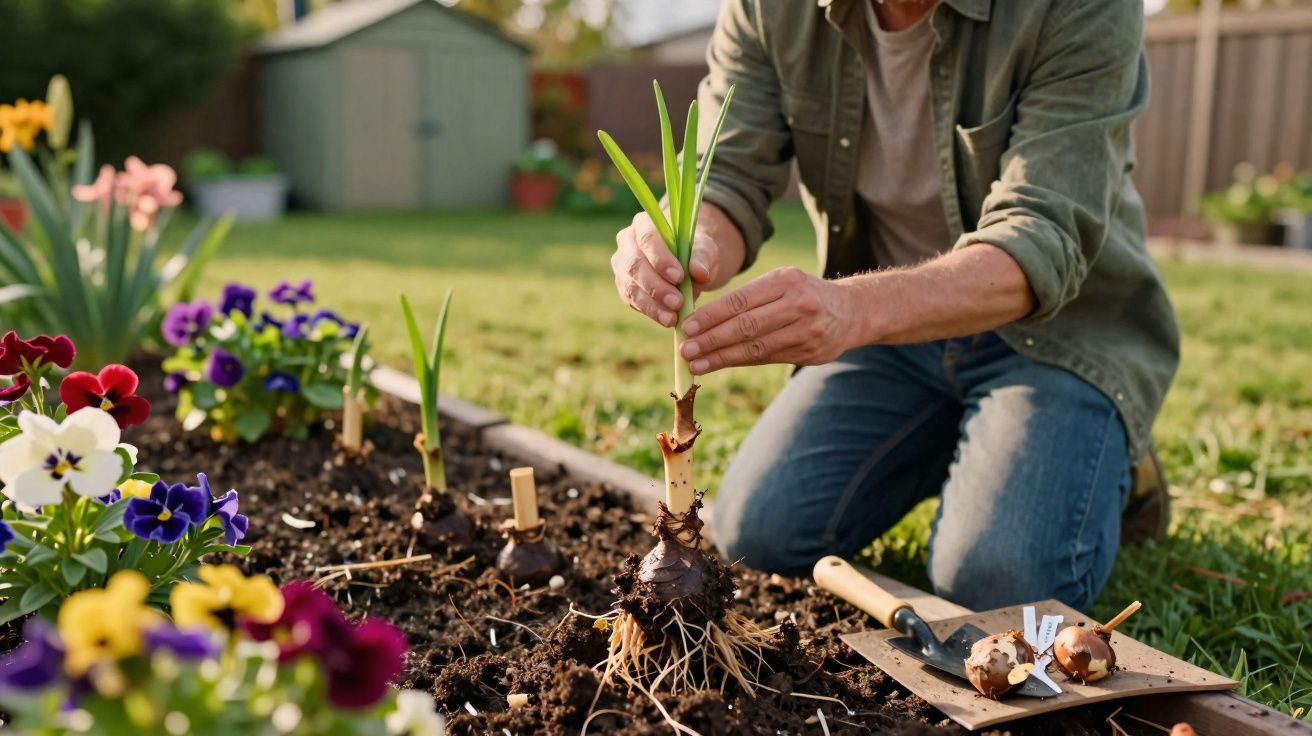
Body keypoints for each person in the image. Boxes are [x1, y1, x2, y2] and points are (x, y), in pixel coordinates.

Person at [608, 0, 1179, 611]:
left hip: (1052, 336)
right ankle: (974, 438)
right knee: (762, 532)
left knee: (997, 582)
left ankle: (1108, 449)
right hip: (890, 343)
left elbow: (1042, 236)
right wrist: (690, 244)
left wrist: (849, 309)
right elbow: (727, 173)